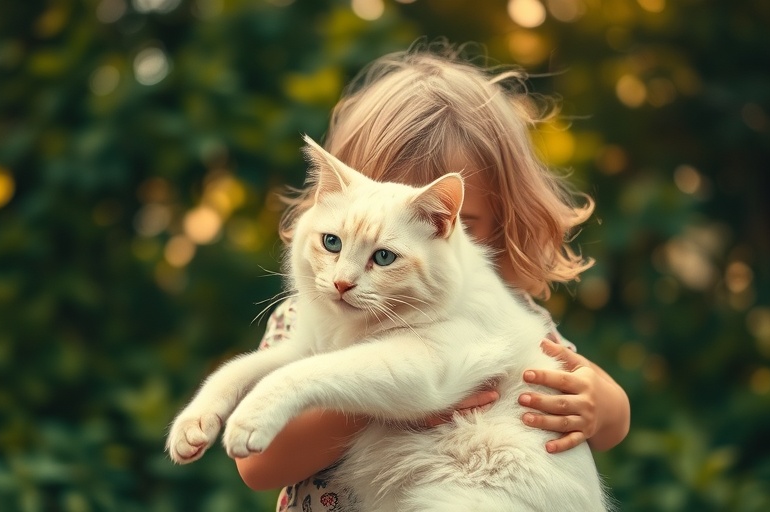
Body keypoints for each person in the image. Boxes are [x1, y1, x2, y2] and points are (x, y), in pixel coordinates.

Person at [235, 41, 631, 512]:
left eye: (450, 222)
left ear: (505, 221)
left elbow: (607, 417)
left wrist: (603, 407)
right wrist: (391, 388)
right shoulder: (306, 316)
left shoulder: (515, 319)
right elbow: (257, 465)